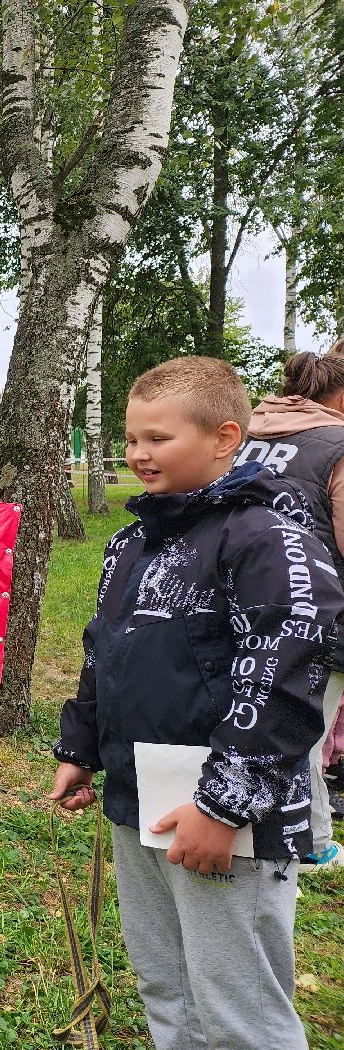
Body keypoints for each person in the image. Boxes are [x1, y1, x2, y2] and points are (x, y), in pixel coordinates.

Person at [47, 356, 344, 1050]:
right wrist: (81, 747)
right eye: (132, 438)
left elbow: (282, 679)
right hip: (140, 799)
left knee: (237, 1004)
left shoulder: (266, 536)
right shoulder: (132, 542)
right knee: (165, 983)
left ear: (224, 437)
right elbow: (105, 652)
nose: (139, 454)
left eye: (159, 438)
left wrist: (222, 805)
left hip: (227, 820)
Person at [237, 349, 344, 863]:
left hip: (238, 603)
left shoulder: (245, 436)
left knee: (260, 715)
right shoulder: (338, 446)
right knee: (304, 732)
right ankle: (311, 841)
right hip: (320, 615)